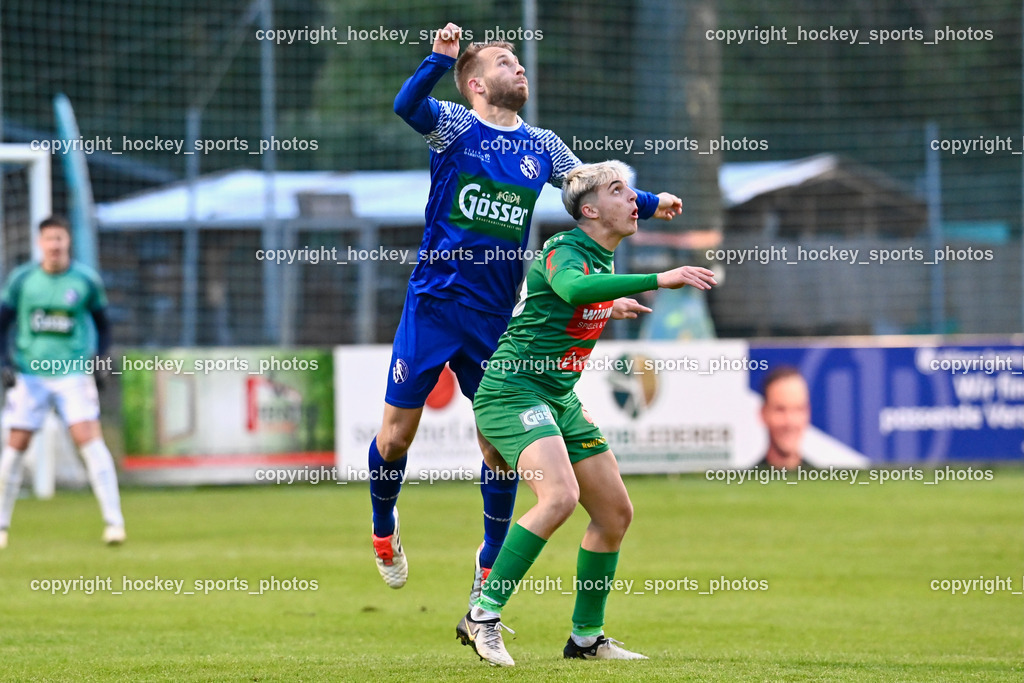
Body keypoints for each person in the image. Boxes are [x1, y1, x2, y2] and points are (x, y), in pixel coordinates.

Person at [371, 22, 683, 599]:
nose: (519, 67)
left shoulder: (541, 144)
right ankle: (384, 527)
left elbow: (588, 191)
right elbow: (405, 104)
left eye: (519, 60)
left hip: (494, 316)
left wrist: (644, 201)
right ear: (475, 84)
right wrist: (436, 60)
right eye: (504, 61)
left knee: (498, 447)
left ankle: (489, 559)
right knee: (395, 438)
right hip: (435, 305)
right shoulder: (455, 125)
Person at [456, 161, 716, 666]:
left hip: (558, 397)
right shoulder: (564, 248)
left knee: (614, 513)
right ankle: (482, 615)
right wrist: (657, 280)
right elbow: (572, 289)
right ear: (591, 210)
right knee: (559, 498)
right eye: (620, 191)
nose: (632, 200)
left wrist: (611, 304)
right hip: (514, 389)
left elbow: (572, 300)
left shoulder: (602, 259)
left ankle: (586, 639)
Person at [0, 215, 124, 549]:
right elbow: (3, 321)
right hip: (29, 373)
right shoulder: (22, 279)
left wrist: (100, 359)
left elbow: (104, 324)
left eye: (60, 239)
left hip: (72, 372)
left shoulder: (85, 280)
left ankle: (115, 522)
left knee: (89, 440)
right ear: (40, 243)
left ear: (68, 242)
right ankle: (1, 526)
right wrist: (4, 362)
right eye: (49, 239)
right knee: (15, 447)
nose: (55, 245)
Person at [754, 366, 812, 470]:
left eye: (798, 409)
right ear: (763, 414)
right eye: (780, 410)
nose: (789, 422)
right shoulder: (746, 483)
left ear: (807, 413)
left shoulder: (824, 483)